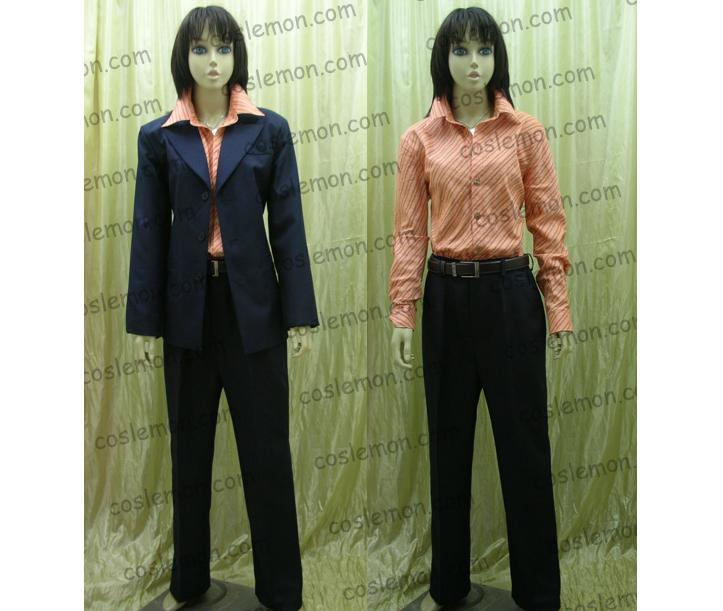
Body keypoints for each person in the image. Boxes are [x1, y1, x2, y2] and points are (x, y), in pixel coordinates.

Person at [126, 6, 317, 610]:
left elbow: (287, 224)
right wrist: (144, 321)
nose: (213, 61)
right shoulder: (159, 137)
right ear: (184, 56)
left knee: (267, 454)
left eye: (223, 48)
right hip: (186, 312)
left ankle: (281, 592)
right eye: (201, 49)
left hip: (253, 310)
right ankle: (189, 584)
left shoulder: (269, 131)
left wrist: (299, 314)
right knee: (189, 456)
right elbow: (148, 230)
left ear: (238, 56)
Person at [388, 7, 574, 611]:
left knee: (525, 448)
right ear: (443, 57)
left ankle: (538, 593)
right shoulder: (419, 140)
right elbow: (409, 233)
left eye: (484, 50)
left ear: (498, 58)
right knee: (448, 449)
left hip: (510, 297)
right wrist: (403, 310)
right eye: (462, 50)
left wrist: (558, 308)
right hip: (445, 300)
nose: (474, 63)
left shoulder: (526, 132)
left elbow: (546, 222)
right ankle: (449, 587)